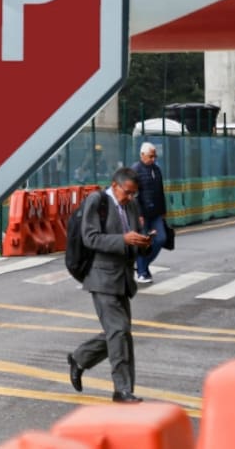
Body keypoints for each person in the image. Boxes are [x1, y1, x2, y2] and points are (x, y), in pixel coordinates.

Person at [67, 167, 151, 403]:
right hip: (101, 276)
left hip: (123, 279)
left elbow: (133, 237)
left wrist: (144, 242)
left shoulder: (131, 206)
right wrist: (123, 239)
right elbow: (90, 238)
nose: (130, 197)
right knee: (119, 332)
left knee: (120, 334)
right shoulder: (97, 201)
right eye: (127, 192)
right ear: (115, 186)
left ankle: (80, 358)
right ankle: (121, 390)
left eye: (134, 193)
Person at [132, 143, 168, 284]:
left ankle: (143, 265)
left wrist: (163, 210)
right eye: (150, 156)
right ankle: (142, 272)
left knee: (161, 238)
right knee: (143, 242)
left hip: (156, 212)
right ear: (142, 155)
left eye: (154, 156)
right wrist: (139, 214)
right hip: (143, 213)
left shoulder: (156, 170)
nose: (153, 159)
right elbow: (134, 195)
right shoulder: (135, 170)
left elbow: (160, 191)